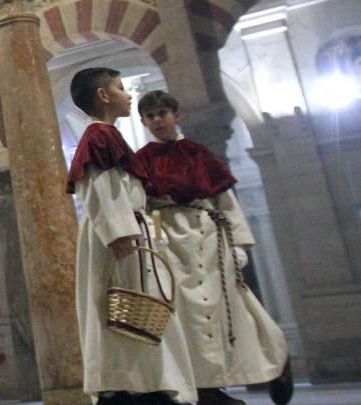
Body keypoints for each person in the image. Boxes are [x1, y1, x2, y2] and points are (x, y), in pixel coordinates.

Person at [133, 90, 292, 405]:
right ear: (143, 121)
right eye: (150, 116)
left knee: (230, 311)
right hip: (171, 245)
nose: (157, 120)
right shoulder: (142, 160)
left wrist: (239, 244)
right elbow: (143, 207)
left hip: (210, 240)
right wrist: (155, 242)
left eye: (163, 113)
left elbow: (225, 202)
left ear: (176, 115)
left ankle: (274, 361)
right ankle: (204, 388)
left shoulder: (198, 153)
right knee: (186, 319)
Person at [67, 68, 195, 405]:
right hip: (118, 241)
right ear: (103, 96)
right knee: (121, 311)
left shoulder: (109, 135)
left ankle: (149, 382)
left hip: (130, 233)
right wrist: (120, 235)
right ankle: (131, 386)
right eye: (121, 88)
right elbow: (98, 188)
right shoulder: (98, 137)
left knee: (138, 310)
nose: (129, 95)